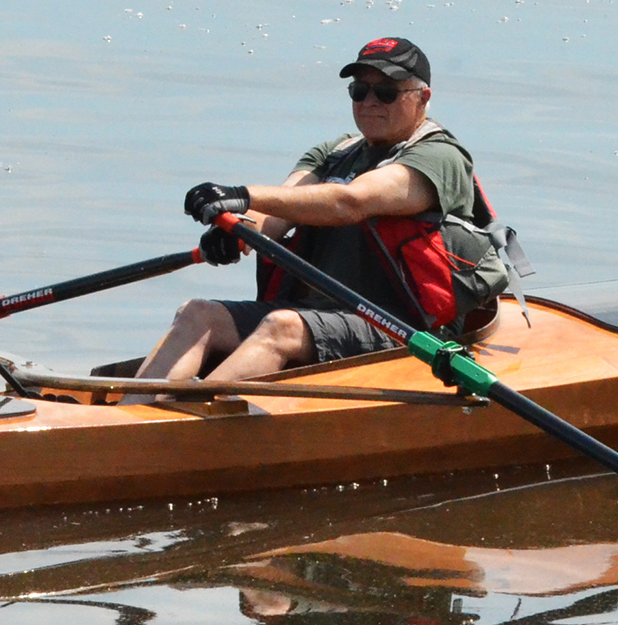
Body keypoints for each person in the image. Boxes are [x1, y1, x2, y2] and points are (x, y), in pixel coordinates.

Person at [140, 37, 507, 383]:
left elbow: (351, 202)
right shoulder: (334, 152)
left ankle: (183, 424)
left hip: (404, 330)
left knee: (280, 326)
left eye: (386, 92)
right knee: (197, 313)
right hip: (316, 319)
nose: (370, 102)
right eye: (359, 91)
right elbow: (278, 212)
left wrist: (241, 194)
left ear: (423, 97)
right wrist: (237, 233)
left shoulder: (439, 156)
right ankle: (130, 412)